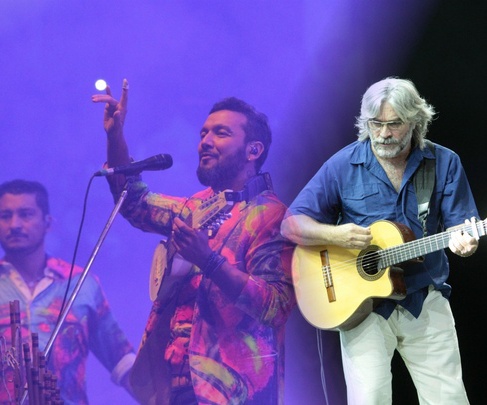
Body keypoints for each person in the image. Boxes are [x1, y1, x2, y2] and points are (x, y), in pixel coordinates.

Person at [92, 80, 295, 405]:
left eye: (221, 133)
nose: (205, 142)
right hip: (175, 384)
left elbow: (275, 306)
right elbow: (134, 203)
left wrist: (209, 260)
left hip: (232, 392)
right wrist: (116, 135)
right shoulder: (195, 207)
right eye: (203, 134)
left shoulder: (271, 216)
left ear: (253, 150)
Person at [281, 77, 479, 405]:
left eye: (394, 124)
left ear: (415, 122)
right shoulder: (343, 164)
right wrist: (336, 234)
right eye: (376, 123)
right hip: (363, 306)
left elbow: (463, 228)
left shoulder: (443, 162)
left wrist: (466, 243)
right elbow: (291, 225)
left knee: (449, 399)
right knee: (369, 398)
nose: (384, 133)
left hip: (424, 297)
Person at [0, 179, 136, 404]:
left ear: (47, 223)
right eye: (5, 216)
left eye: (25, 214)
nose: (14, 224)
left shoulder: (81, 284)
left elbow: (122, 361)